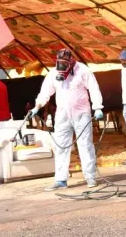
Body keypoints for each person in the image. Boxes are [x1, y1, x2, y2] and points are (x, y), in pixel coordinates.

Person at [28, 49, 104, 191]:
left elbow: (94, 88)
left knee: (85, 145)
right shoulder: (53, 73)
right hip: (62, 114)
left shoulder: (82, 70)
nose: (62, 69)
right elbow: (45, 92)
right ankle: (60, 179)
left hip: (81, 114)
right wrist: (37, 106)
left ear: (71, 62)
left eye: (65, 65)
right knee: (61, 146)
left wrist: (98, 106)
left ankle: (90, 177)